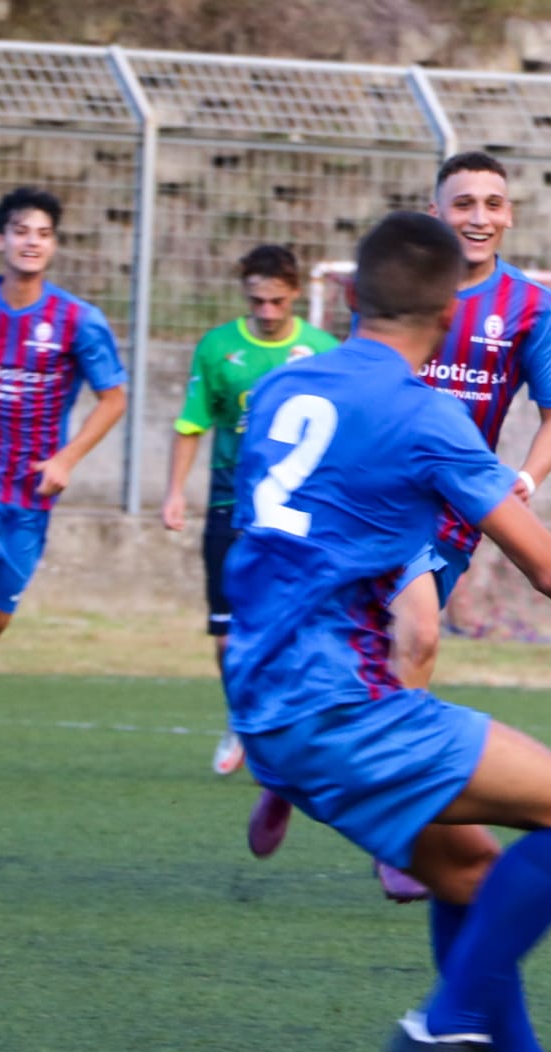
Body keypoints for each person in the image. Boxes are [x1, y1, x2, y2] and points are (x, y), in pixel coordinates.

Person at [226, 210, 551, 1052]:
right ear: (448, 318)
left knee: (472, 868)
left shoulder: (282, 389)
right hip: (341, 705)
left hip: (260, 696)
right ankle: (443, 1029)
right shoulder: (425, 415)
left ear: (351, 297)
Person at [245, 152, 551, 902]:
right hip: (378, 496)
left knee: (375, 648)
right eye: (464, 203)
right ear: (436, 213)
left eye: (494, 203)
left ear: (511, 215)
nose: (480, 217)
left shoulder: (530, 307)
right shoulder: (396, 293)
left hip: (459, 508)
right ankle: (399, 830)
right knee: (418, 636)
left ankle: (295, 773)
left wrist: (525, 479)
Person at [0, 187, 129, 787]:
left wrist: (68, 458)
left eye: (42, 232)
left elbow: (114, 398)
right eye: (20, 230)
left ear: (52, 245)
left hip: (31, 496)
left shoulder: (77, 320)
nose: (31, 241)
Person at [162, 245, 338, 777]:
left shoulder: (323, 351)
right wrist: (174, 492)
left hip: (297, 513)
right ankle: (241, 715)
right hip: (229, 507)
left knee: (299, 626)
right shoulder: (218, 348)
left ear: (296, 295)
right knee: (225, 635)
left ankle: (296, 728)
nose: (266, 311)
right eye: (256, 300)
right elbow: (192, 423)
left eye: (276, 301)